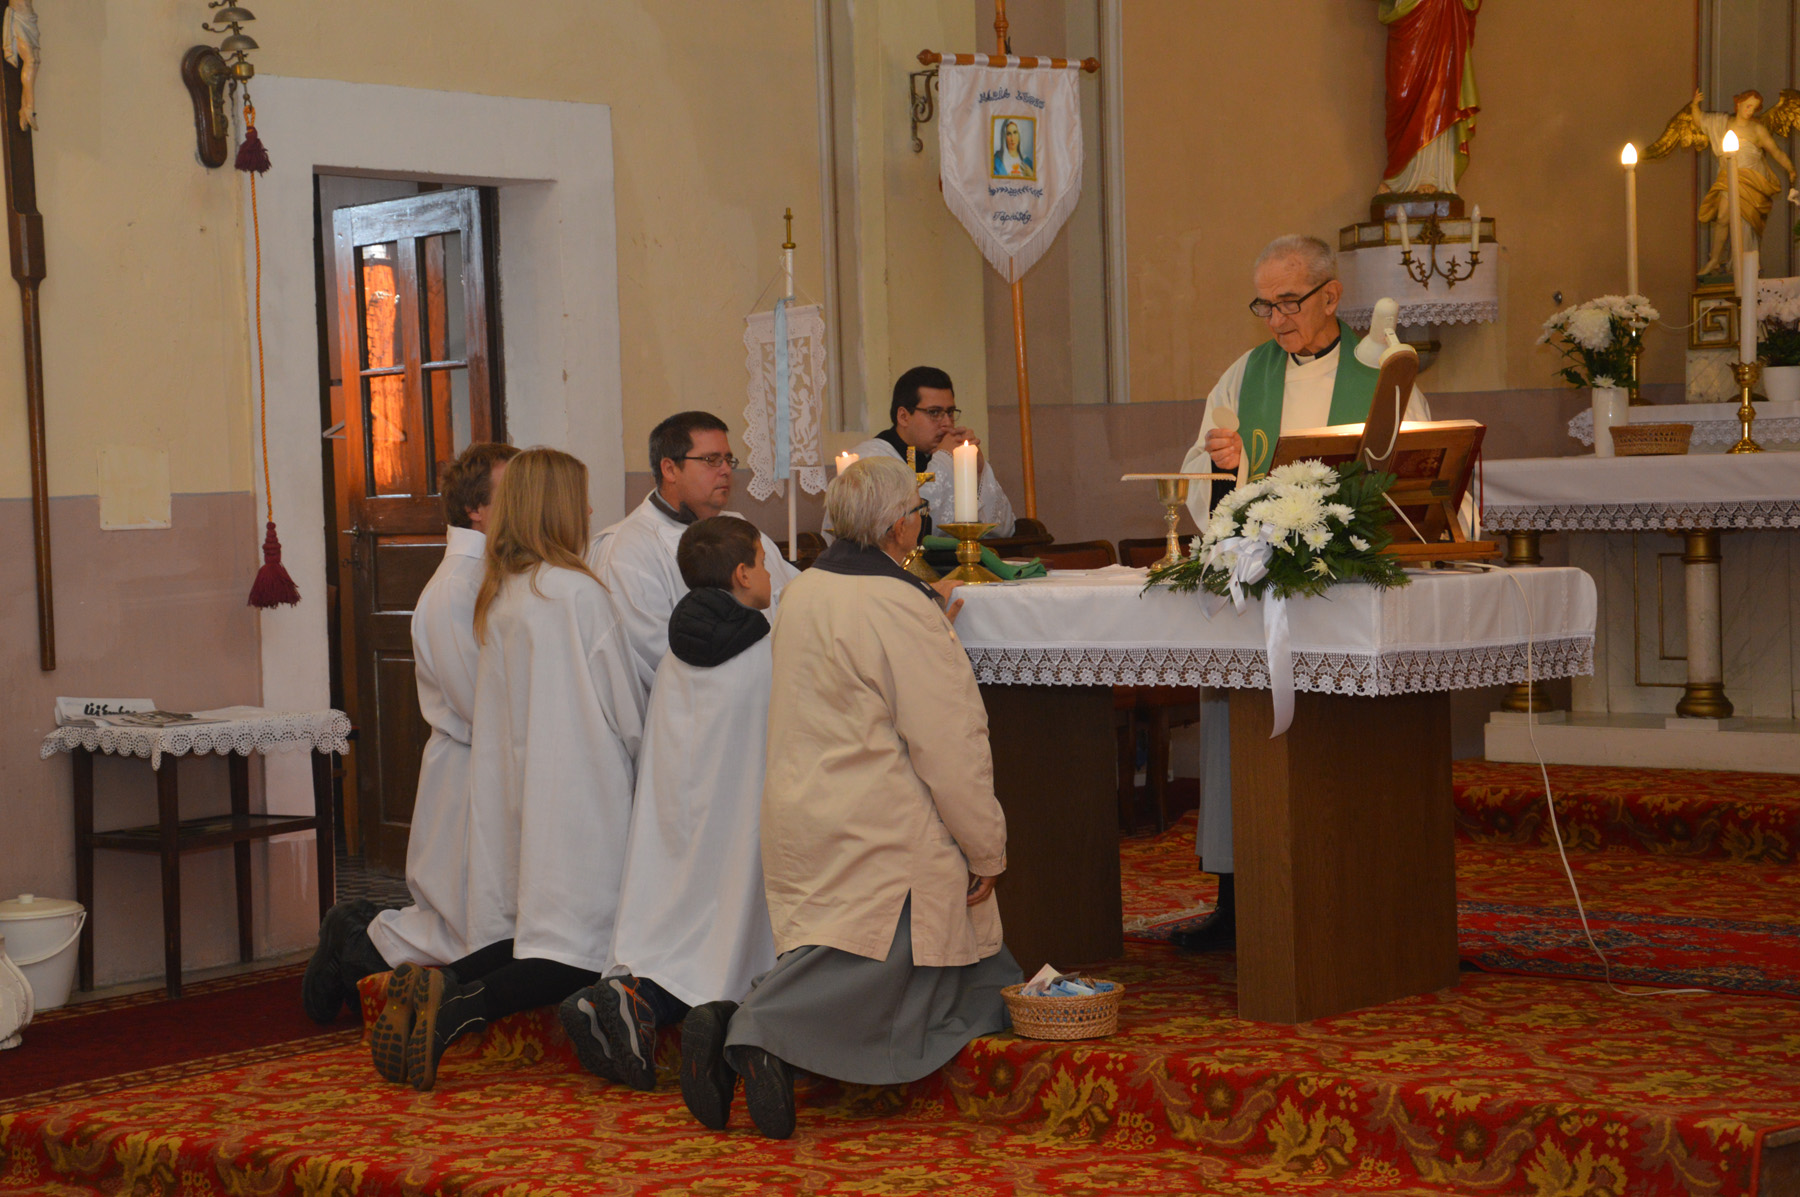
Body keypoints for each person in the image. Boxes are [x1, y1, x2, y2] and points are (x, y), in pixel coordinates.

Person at [680, 456, 1018, 1139]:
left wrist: (925, 615)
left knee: (949, 973)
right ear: (898, 527)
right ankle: (760, 1029)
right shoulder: (899, 607)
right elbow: (949, 745)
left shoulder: (803, 590)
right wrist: (986, 847)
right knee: (909, 968)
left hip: (805, 808)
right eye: (916, 512)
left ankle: (749, 1020)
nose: (919, 521)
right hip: (883, 821)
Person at [1174, 234, 1431, 953]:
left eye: (1288, 302)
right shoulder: (1245, 374)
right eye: (1264, 305)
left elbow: (1420, 466)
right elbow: (1200, 466)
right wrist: (1227, 466)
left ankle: (1363, 892)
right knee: (1242, 737)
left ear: (1331, 296)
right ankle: (1237, 902)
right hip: (1262, 591)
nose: (1276, 319)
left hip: (1352, 591)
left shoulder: (1384, 371)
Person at [369, 447, 643, 1091]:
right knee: (583, 950)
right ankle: (455, 1011)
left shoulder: (504, 594)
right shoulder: (578, 593)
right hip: (584, 794)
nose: (590, 511)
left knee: (538, 932)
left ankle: (443, 981)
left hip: (521, 788)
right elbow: (625, 710)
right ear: (556, 509)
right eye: (579, 500)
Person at [560, 515, 779, 1095]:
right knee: (722, 948)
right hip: (734, 824)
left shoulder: (676, 651)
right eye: (764, 562)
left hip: (676, 821)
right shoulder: (766, 650)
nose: (770, 575)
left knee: (672, 932)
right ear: (742, 573)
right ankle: (639, 1003)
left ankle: (614, 997)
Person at [301, 441, 518, 1025]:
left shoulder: (498, 575)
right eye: (513, 490)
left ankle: (368, 935)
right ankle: (357, 937)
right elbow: (478, 703)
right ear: (476, 508)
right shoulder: (455, 588)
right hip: (471, 768)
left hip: (497, 763)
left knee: (487, 922)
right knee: (469, 926)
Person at [588, 411, 798, 701]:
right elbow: (654, 658)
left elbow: (794, 600)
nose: (726, 471)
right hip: (697, 709)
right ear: (670, 469)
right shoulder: (626, 549)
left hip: (770, 697)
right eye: (711, 460)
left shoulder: (743, 531)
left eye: (728, 460)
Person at [824, 367, 1015, 541]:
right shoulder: (870, 461)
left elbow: (1003, 530)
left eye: (950, 412)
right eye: (934, 413)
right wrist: (943, 459)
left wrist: (978, 471)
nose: (947, 423)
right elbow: (902, 530)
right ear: (903, 416)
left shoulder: (950, 457)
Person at [1374, 0, 1480, 196]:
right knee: (1402, 92)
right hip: (1408, 14)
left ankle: (1432, 175)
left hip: (1444, 12)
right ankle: (1399, 177)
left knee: (1439, 88)